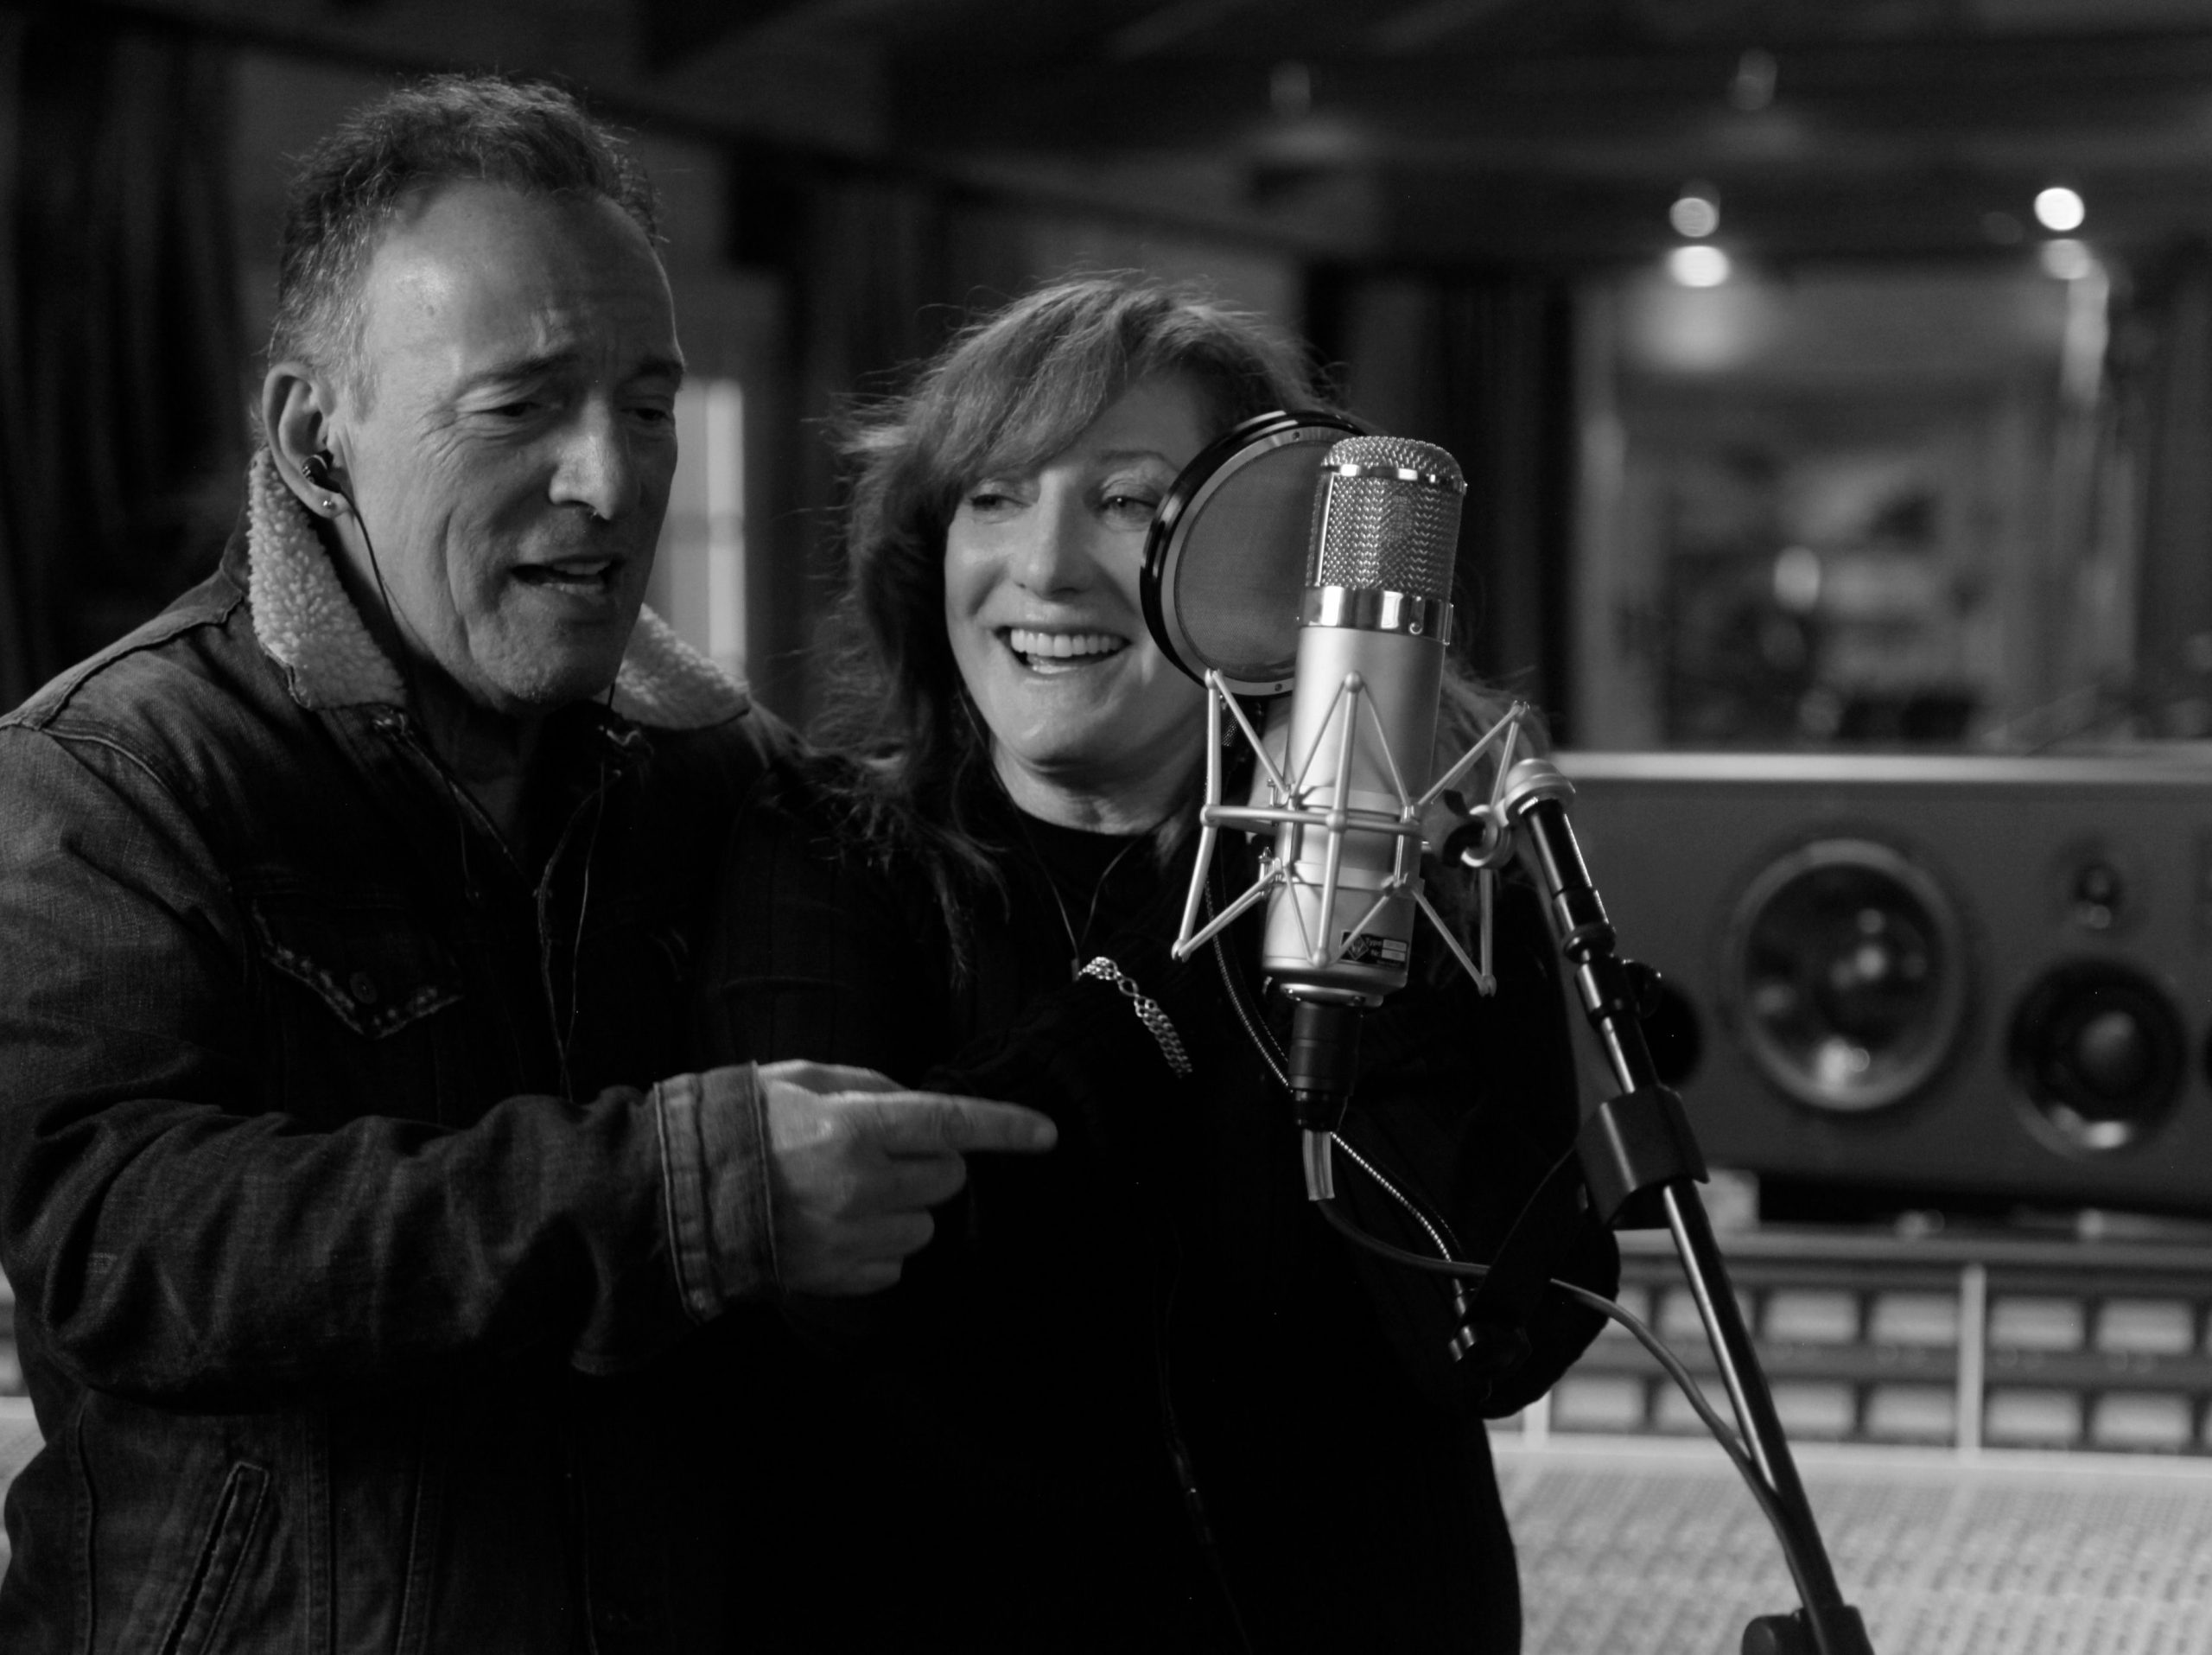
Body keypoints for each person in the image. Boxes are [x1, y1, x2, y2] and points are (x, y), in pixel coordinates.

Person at [0, 75, 1054, 1650]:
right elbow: (126, 1248)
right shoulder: (113, 774)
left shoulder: (716, 775)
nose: (610, 483)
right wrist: (686, 1190)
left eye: (650, 407)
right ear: (314, 436)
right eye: (520, 407)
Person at [696, 277, 1620, 1652]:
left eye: (1126, 502)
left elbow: (1500, 1336)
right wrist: (1184, 955)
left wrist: (1357, 903)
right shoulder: (825, 855)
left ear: (1272, 558)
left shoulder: (1426, 876)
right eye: (993, 497)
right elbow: (864, 1299)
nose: (1046, 566)